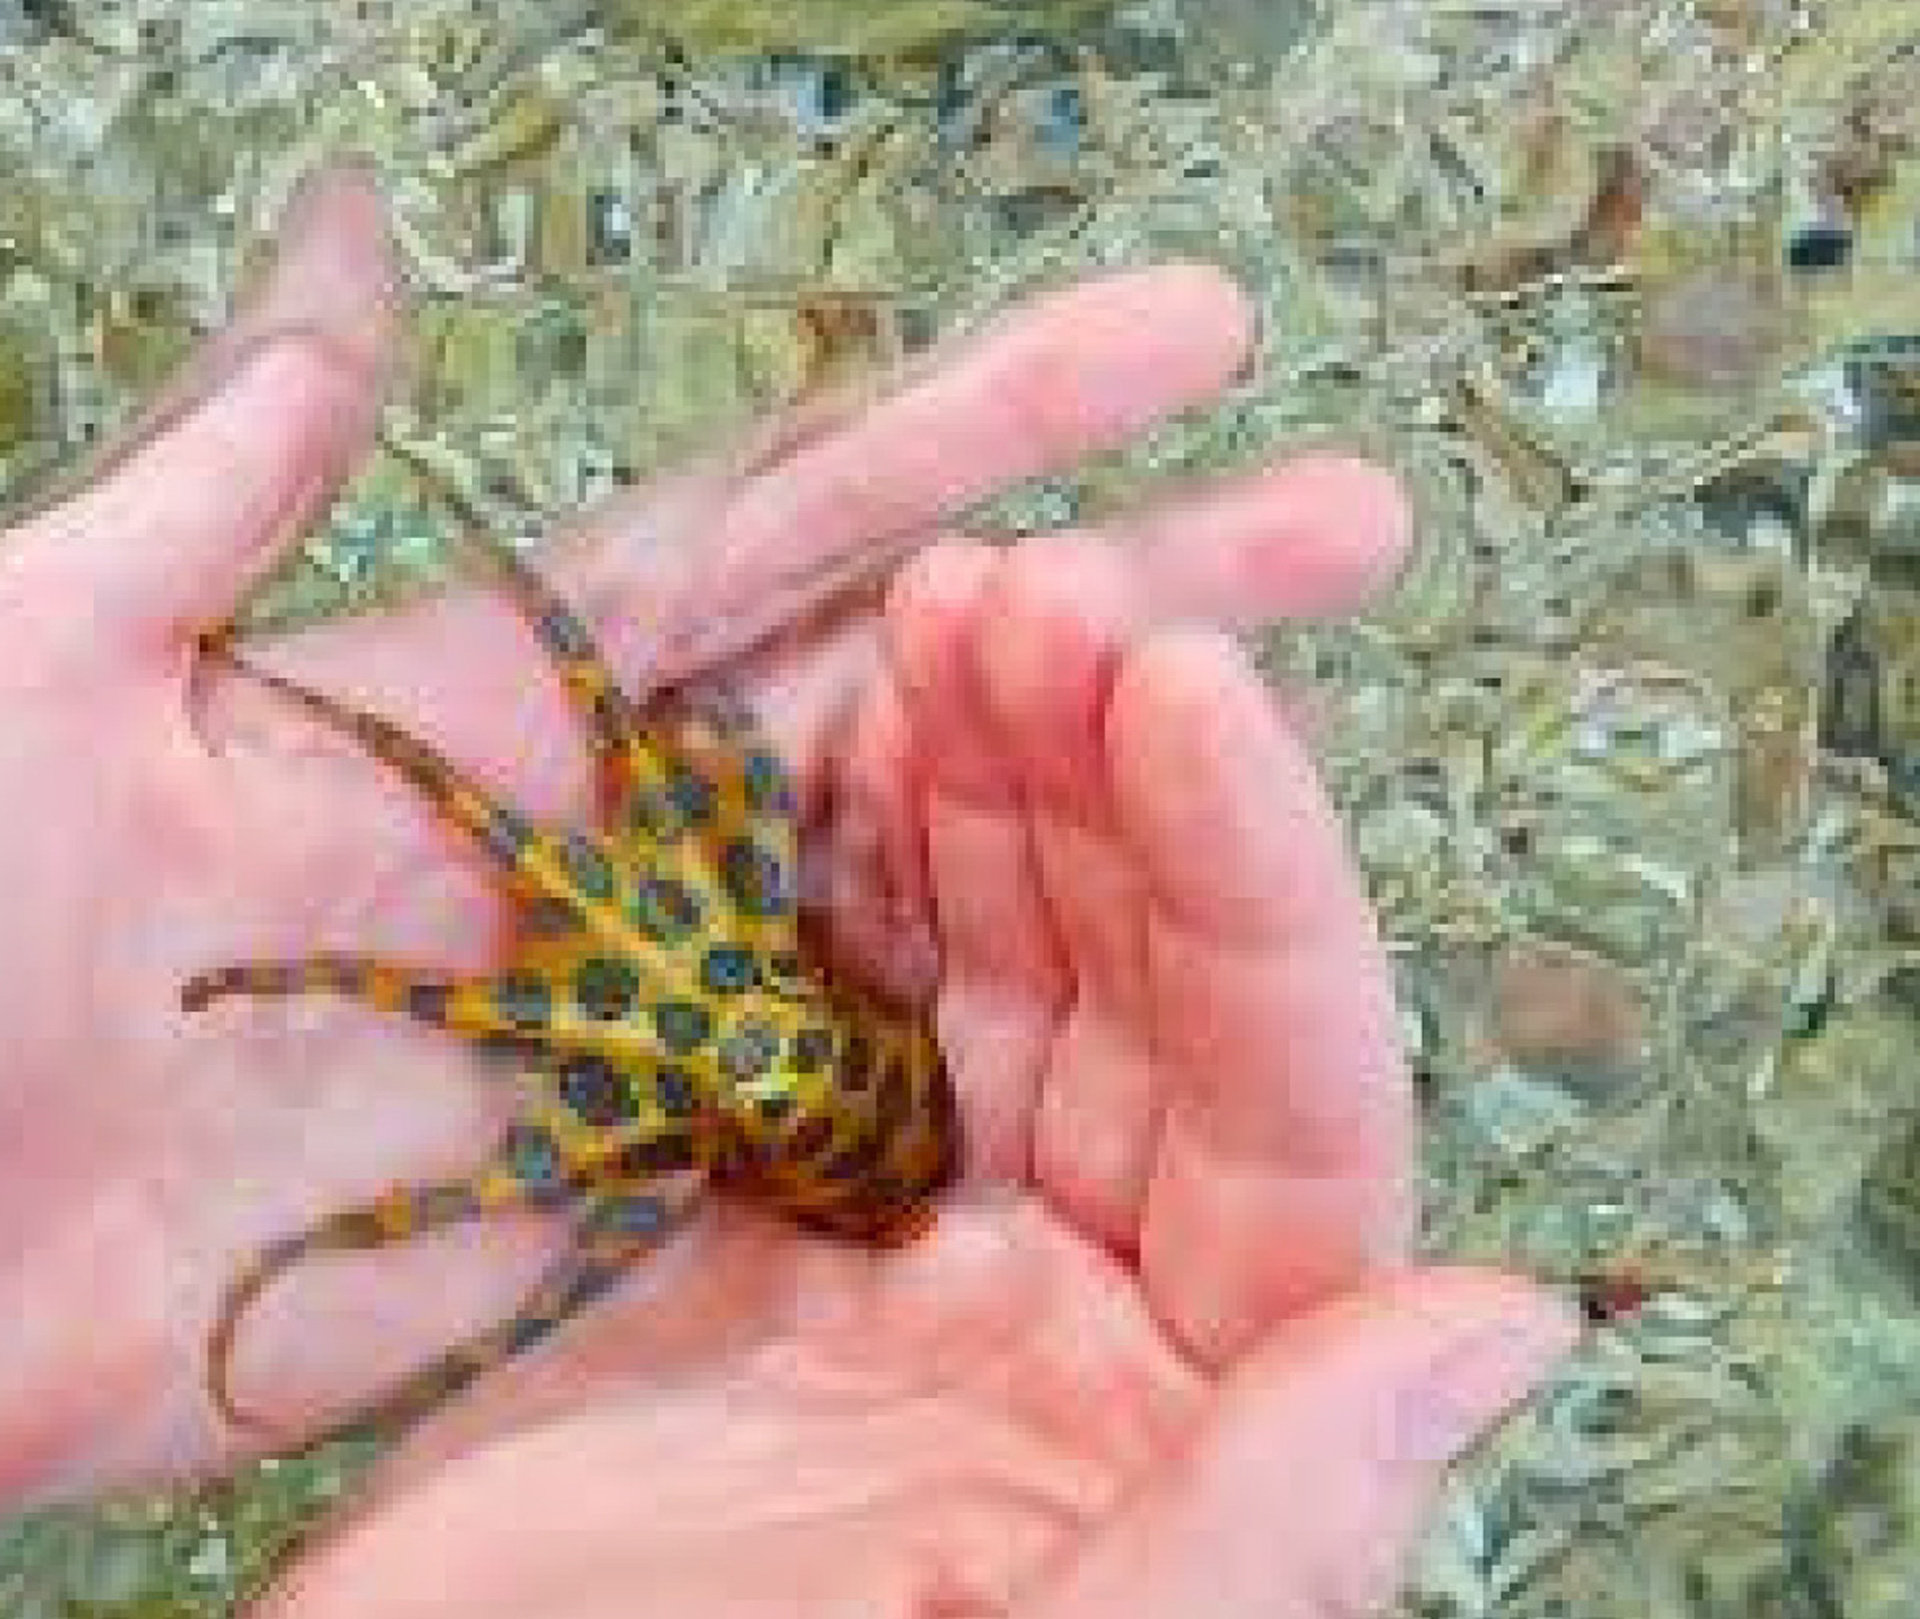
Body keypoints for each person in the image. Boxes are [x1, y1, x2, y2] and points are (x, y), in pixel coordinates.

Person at [0, 163, 1577, 1616]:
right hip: (793, 1081)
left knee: (550, 788)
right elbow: (621, 851)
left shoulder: (657, 1083)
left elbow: (498, 1119)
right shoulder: (688, 1008)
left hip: (840, 1114)